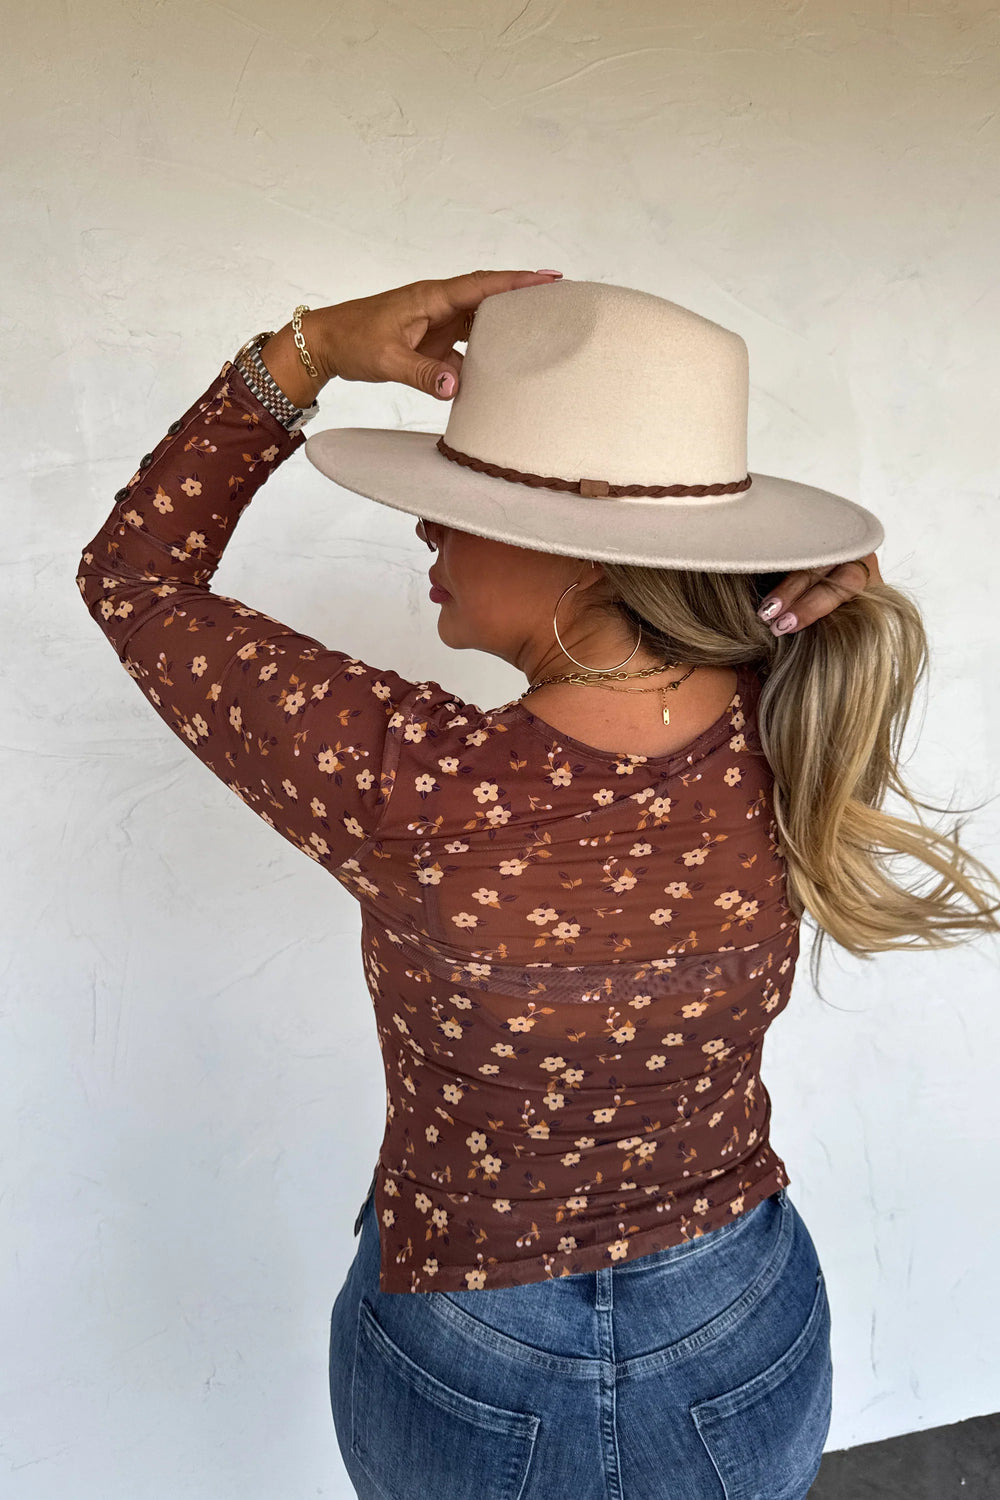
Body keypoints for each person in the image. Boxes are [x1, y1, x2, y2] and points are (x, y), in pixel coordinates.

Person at [77, 270, 1000, 1500]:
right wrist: (811, 580)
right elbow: (838, 611)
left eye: (459, 507)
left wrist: (308, 349)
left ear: (586, 560)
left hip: (471, 1343)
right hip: (743, 1319)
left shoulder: (409, 783)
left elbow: (135, 575)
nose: (425, 532)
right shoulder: (795, 715)